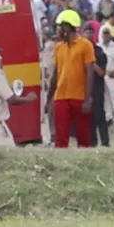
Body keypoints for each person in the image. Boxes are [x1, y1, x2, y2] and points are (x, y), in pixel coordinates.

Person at [47, 12, 96, 148]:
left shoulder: (86, 45)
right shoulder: (58, 47)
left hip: (79, 97)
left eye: (59, 26)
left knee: (83, 137)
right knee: (60, 138)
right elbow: (56, 74)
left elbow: (89, 73)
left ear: (67, 27)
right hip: (61, 97)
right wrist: (50, 97)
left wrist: (87, 99)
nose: (57, 30)